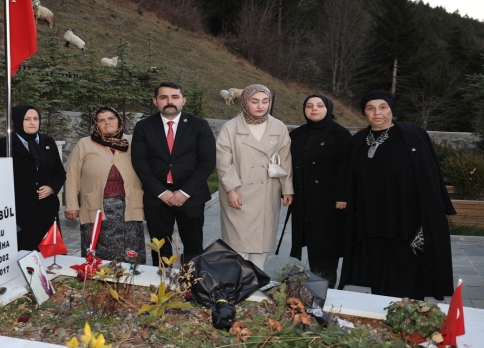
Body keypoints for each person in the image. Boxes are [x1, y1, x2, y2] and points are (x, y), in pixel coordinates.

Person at [339, 90, 455, 300]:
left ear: (391, 109)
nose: (377, 113)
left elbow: (430, 174)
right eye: (370, 108)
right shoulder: (357, 140)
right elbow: (349, 177)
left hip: (406, 218)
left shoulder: (413, 135)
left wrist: (433, 211)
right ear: (364, 112)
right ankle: (382, 313)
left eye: (383, 107)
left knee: (407, 270)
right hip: (372, 220)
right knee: (378, 270)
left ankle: (410, 318)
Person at [131, 82, 216, 266]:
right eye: (163, 97)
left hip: (191, 197)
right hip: (157, 198)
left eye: (175, 97)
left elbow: (207, 161)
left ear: (183, 100)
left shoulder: (199, 125)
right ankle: (162, 285)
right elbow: (140, 162)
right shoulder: (143, 127)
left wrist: (185, 192)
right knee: (160, 248)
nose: (169, 101)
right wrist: (161, 192)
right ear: (155, 101)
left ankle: (190, 287)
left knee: (193, 247)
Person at [216, 84, 293, 270]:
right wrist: (231, 189)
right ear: (244, 102)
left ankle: (257, 279)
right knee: (238, 241)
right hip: (239, 192)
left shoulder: (278, 127)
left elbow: (285, 160)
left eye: (265, 101)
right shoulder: (231, 128)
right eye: (255, 101)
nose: (261, 106)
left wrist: (287, 189)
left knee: (261, 240)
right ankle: (237, 282)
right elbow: (223, 161)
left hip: (267, 192)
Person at [64, 107, 146, 264]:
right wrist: (72, 205)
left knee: (131, 249)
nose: (107, 122)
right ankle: (99, 283)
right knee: (98, 252)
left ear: (119, 121)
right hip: (96, 207)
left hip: (129, 205)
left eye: (111, 118)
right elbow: (72, 175)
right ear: (96, 124)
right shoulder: (85, 144)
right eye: (101, 120)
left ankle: (129, 285)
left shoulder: (134, 141)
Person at [289, 94, 351, 288]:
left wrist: (342, 195)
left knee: (326, 253)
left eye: (319, 105)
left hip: (330, 205)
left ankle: (327, 294)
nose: (314, 109)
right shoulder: (297, 135)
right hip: (305, 204)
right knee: (313, 250)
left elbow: (347, 167)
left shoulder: (340, 134)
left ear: (328, 108)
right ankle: (314, 293)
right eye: (309, 105)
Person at [0, 105, 66, 252]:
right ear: (18, 120)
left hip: (47, 211)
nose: (33, 123)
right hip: (21, 212)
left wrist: (51, 187)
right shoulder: (4, 145)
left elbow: (59, 172)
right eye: (27, 119)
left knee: (51, 258)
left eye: (36, 118)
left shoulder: (48, 142)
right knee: (25, 260)